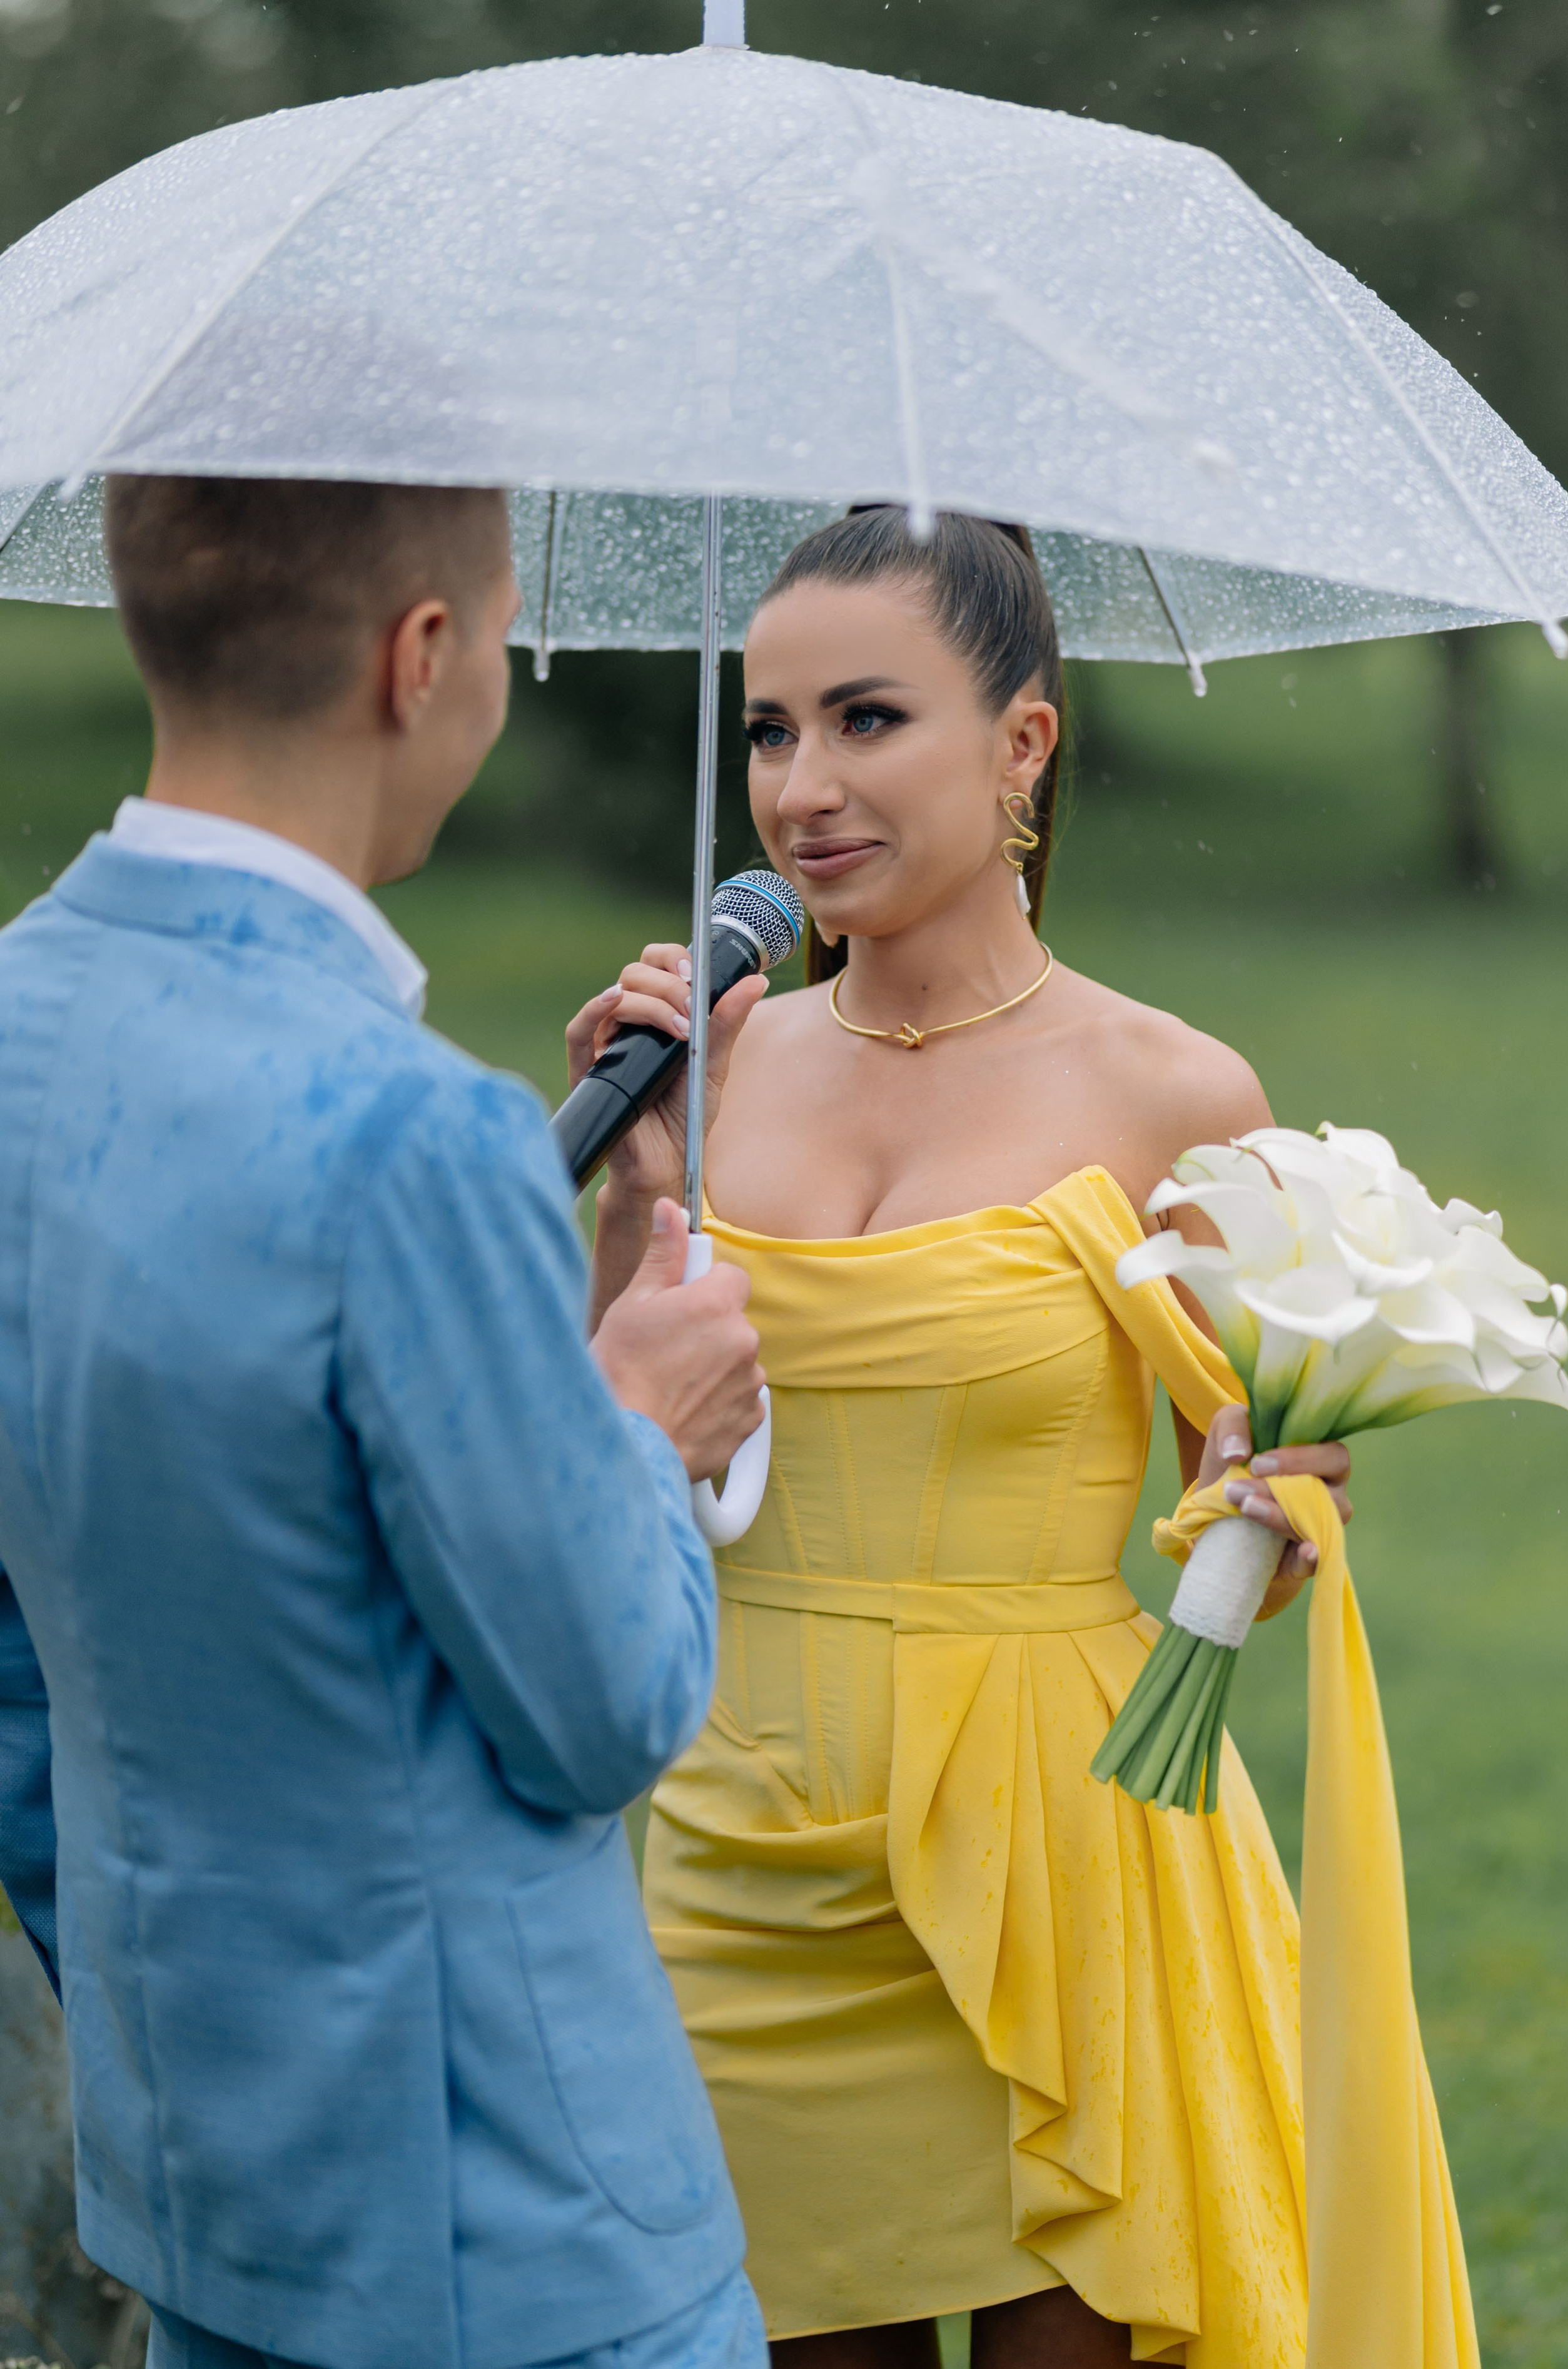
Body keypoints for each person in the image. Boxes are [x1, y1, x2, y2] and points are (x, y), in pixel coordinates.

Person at [565, 509, 1357, 2369]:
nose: (802, 788)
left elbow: (1245, 1493)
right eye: (768, 731)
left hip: (1055, 1857)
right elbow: (611, 1470)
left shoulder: (1177, 1091)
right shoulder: (719, 1056)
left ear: (1021, 745)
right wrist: (637, 1202)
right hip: (740, 1846)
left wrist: (1275, 1504)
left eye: (865, 720)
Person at [0, 475, 773, 2369]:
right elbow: (603, 1702)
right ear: (420, 656)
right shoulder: (416, 1134)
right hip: (512, 2236)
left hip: (206, 2196)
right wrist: (642, 1415)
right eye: (499, 633)